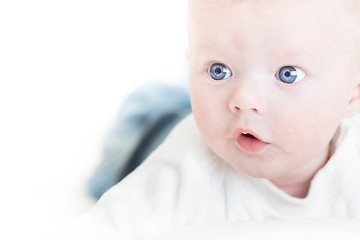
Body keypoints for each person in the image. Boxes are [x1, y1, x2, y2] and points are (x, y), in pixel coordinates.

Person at [55, 0, 360, 239]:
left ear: (352, 94)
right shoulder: (184, 170)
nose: (245, 99)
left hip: (206, 115)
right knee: (122, 154)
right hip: (149, 136)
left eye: (288, 74)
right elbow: (103, 229)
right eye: (218, 69)